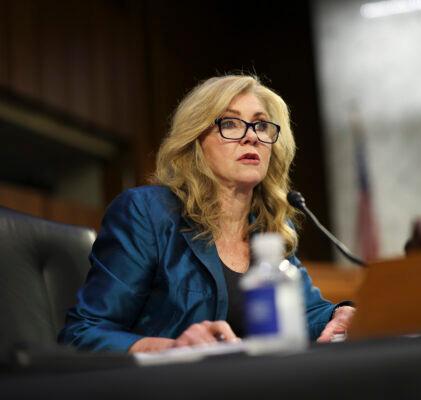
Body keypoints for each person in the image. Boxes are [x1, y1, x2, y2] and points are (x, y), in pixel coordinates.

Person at [58, 74, 355, 353]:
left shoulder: (270, 224)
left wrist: (339, 315)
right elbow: (83, 333)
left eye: (262, 126)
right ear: (195, 140)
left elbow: (305, 313)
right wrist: (172, 349)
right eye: (231, 123)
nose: (251, 137)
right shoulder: (147, 213)